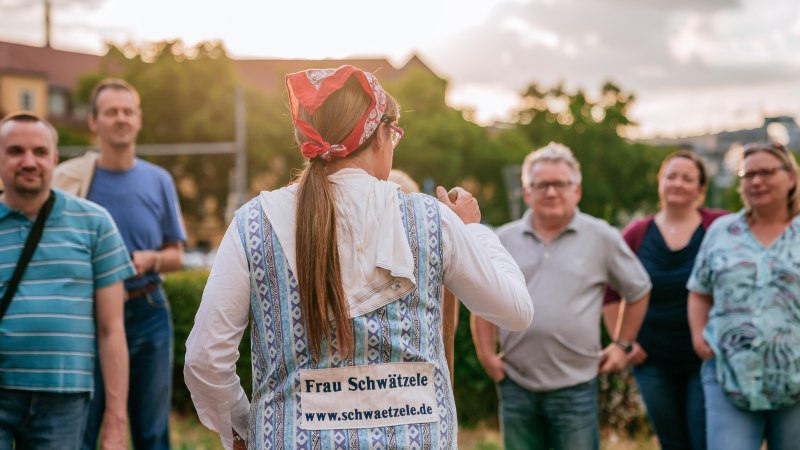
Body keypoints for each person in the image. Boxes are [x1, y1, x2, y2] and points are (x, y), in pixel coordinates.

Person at [183, 65, 533, 450]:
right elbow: (515, 310)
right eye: (394, 135)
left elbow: (205, 360)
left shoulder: (254, 221)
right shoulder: (431, 219)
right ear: (381, 134)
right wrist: (472, 230)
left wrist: (246, 428)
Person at [471, 142, 651, 450]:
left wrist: (622, 345)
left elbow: (638, 289)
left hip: (576, 387)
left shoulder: (602, 237)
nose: (551, 192)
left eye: (560, 184)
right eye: (541, 184)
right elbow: (482, 301)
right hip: (516, 383)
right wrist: (488, 358)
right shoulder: (502, 239)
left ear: (577, 190)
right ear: (526, 192)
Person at [53, 78, 186, 450]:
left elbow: (177, 256)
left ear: (138, 120)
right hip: (89, 316)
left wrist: (153, 258)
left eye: (127, 111)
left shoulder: (159, 180)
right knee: (84, 428)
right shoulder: (72, 181)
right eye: (111, 112)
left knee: (151, 432)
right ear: (94, 122)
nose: (120, 118)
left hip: (148, 310)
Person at [0, 112, 135, 449]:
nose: (29, 161)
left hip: (64, 400)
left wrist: (116, 422)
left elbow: (112, 329)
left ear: (55, 159)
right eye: (16, 151)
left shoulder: (95, 223)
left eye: (40, 152)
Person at [604, 149, 726, 450]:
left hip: (705, 357)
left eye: (688, 178)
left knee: (704, 439)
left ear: (700, 189)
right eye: (671, 176)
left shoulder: (719, 226)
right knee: (671, 441)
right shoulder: (638, 233)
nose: (678, 183)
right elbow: (610, 291)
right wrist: (624, 343)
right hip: (651, 359)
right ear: (660, 182)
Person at [688, 141, 800, 450]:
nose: (756, 181)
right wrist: (699, 336)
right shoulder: (722, 231)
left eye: (766, 172)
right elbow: (699, 290)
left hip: (795, 379)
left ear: (791, 177)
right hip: (729, 374)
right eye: (747, 174)